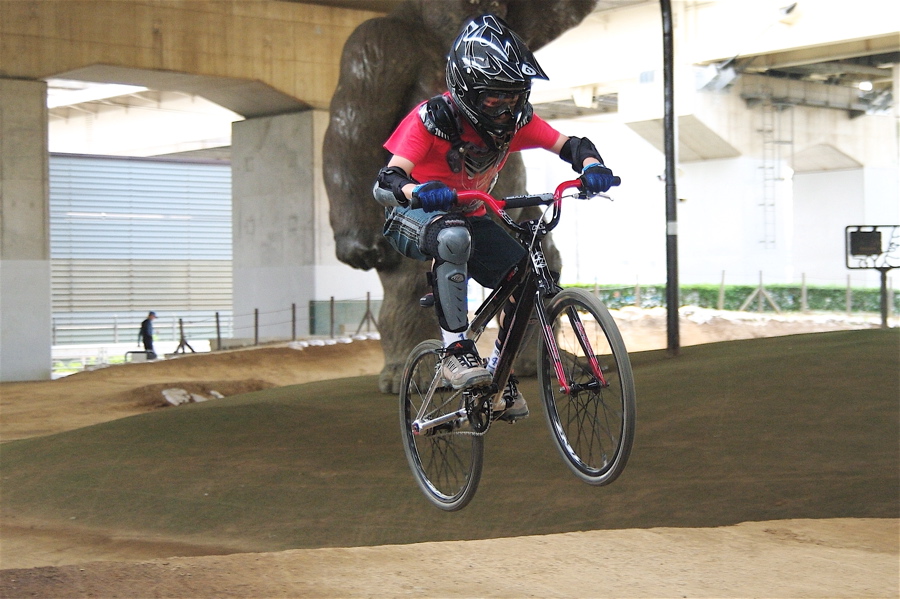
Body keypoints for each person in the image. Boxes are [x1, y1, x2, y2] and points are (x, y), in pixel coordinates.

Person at [374, 14, 619, 421]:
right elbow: (386, 181)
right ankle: (455, 350)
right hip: (413, 215)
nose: (506, 108)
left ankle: (498, 375)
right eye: (495, 98)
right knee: (452, 236)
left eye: (514, 96)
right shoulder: (431, 119)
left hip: (470, 214)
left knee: (524, 275)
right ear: (468, 91)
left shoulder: (514, 123)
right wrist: (417, 190)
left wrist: (591, 166)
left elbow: (570, 144)